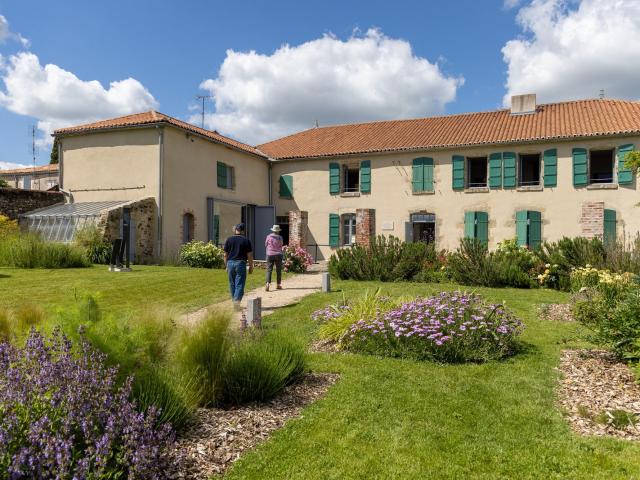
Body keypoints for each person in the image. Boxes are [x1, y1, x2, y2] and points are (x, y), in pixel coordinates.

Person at [223, 223, 253, 308]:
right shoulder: (246, 240)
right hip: (240, 263)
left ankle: (235, 302)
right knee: (239, 284)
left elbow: (225, 255)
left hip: (230, 263)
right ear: (243, 231)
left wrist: (226, 266)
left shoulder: (229, 239)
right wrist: (251, 266)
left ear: (235, 230)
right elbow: (249, 255)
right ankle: (236, 302)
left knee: (232, 284)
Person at [265, 225, 284, 292]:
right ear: (278, 231)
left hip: (270, 254)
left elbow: (265, 244)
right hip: (278, 254)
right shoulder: (280, 237)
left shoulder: (268, 236)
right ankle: (278, 284)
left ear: (272, 230)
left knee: (269, 270)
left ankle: (267, 283)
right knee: (278, 270)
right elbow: (281, 245)